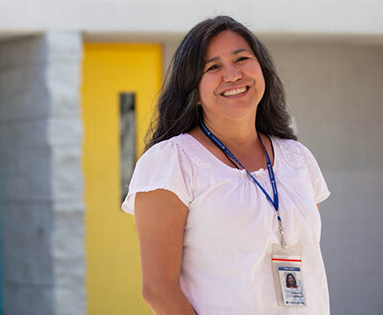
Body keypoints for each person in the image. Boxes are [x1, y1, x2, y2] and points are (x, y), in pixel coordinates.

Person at [121, 15, 331, 314]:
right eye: (213, 67)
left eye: (242, 58)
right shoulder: (171, 162)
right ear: (192, 90)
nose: (232, 75)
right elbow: (159, 290)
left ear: (263, 70)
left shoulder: (297, 158)